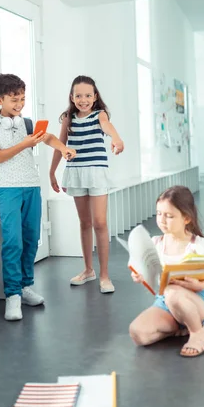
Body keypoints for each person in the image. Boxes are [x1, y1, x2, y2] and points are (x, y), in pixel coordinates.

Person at [0, 73, 76, 321]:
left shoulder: (27, 123)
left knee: (31, 238)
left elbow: (48, 138)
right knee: (12, 241)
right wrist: (25, 144)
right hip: (7, 189)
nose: (19, 104)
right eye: (14, 100)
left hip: (32, 187)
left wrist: (63, 148)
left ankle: (25, 287)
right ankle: (12, 295)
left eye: (22, 99)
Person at [129, 186, 204, 357]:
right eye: (159, 214)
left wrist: (200, 285)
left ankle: (199, 333)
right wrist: (140, 275)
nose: (162, 220)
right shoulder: (155, 243)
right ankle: (181, 328)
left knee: (172, 292)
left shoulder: (198, 245)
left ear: (186, 218)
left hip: (196, 301)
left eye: (169, 216)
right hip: (164, 302)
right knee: (138, 333)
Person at [50, 75, 124, 293]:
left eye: (88, 95)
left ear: (95, 97)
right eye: (79, 95)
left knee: (100, 223)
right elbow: (60, 144)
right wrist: (52, 171)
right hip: (76, 172)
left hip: (96, 173)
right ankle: (88, 270)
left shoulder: (99, 115)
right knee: (84, 223)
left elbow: (107, 126)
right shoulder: (68, 118)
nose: (83, 100)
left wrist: (116, 139)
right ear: (72, 97)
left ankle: (104, 275)